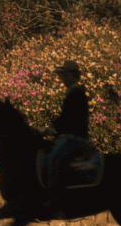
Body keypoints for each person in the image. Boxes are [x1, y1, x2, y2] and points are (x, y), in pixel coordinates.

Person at [41, 60, 102, 192]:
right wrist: (52, 128)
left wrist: (51, 129)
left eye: (64, 75)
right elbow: (65, 118)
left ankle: (56, 199)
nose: (62, 79)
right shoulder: (75, 93)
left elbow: (68, 119)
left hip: (75, 138)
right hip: (72, 136)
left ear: (70, 75)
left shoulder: (76, 94)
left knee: (53, 160)